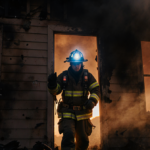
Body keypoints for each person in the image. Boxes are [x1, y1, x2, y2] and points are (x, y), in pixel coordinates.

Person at [48, 49, 100, 150]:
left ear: (82, 63)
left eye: (79, 63)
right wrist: (52, 84)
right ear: (70, 63)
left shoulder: (87, 76)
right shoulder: (64, 76)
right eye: (74, 64)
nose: (77, 66)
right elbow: (55, 91)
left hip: (83, 112)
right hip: (68, 112)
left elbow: (96, 89)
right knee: (68, 134)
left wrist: (93, 100)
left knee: (83, 139)